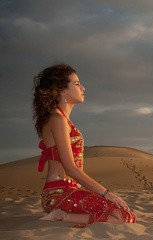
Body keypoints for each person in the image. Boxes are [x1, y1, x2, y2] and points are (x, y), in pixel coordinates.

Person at [33, 63, 136, 226]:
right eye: (76, 84)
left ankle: (61, 216)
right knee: (123, 216)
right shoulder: (57, 120)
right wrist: (106, 194)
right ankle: (59, 216)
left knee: (124, 214)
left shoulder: (62, 119)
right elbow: (70, 168)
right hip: (58, 194)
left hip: (70, 192)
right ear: (62, 90)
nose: (83, 87)